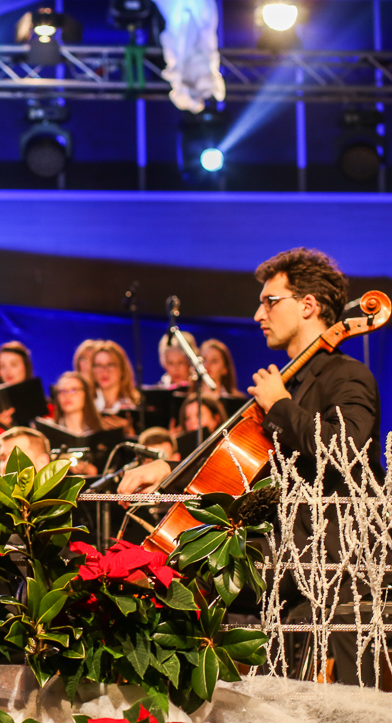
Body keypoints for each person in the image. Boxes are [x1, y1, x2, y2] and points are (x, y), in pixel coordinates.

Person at [118, 248, 380, 685]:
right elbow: (238, 462)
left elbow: (346, 449)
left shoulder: (346, 376)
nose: (258, 313)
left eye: (270, 301)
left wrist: (279, 405)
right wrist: (169, 470)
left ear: (309, 306)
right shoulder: (289, 382)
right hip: (283, 578)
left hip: (334, 576)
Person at [90, 341, 140, 433]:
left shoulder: (137, 406)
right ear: (92, 371)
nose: (104, 371)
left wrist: (128, 431)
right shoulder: (87, 405)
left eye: (110, 364)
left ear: (122, 370)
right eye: (98, 365)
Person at [43, 371, 103, 436]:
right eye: (63, 391)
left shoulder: (99, 432)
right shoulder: (49, 431)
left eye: (73, 390)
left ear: (85, 395)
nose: (67, 395)